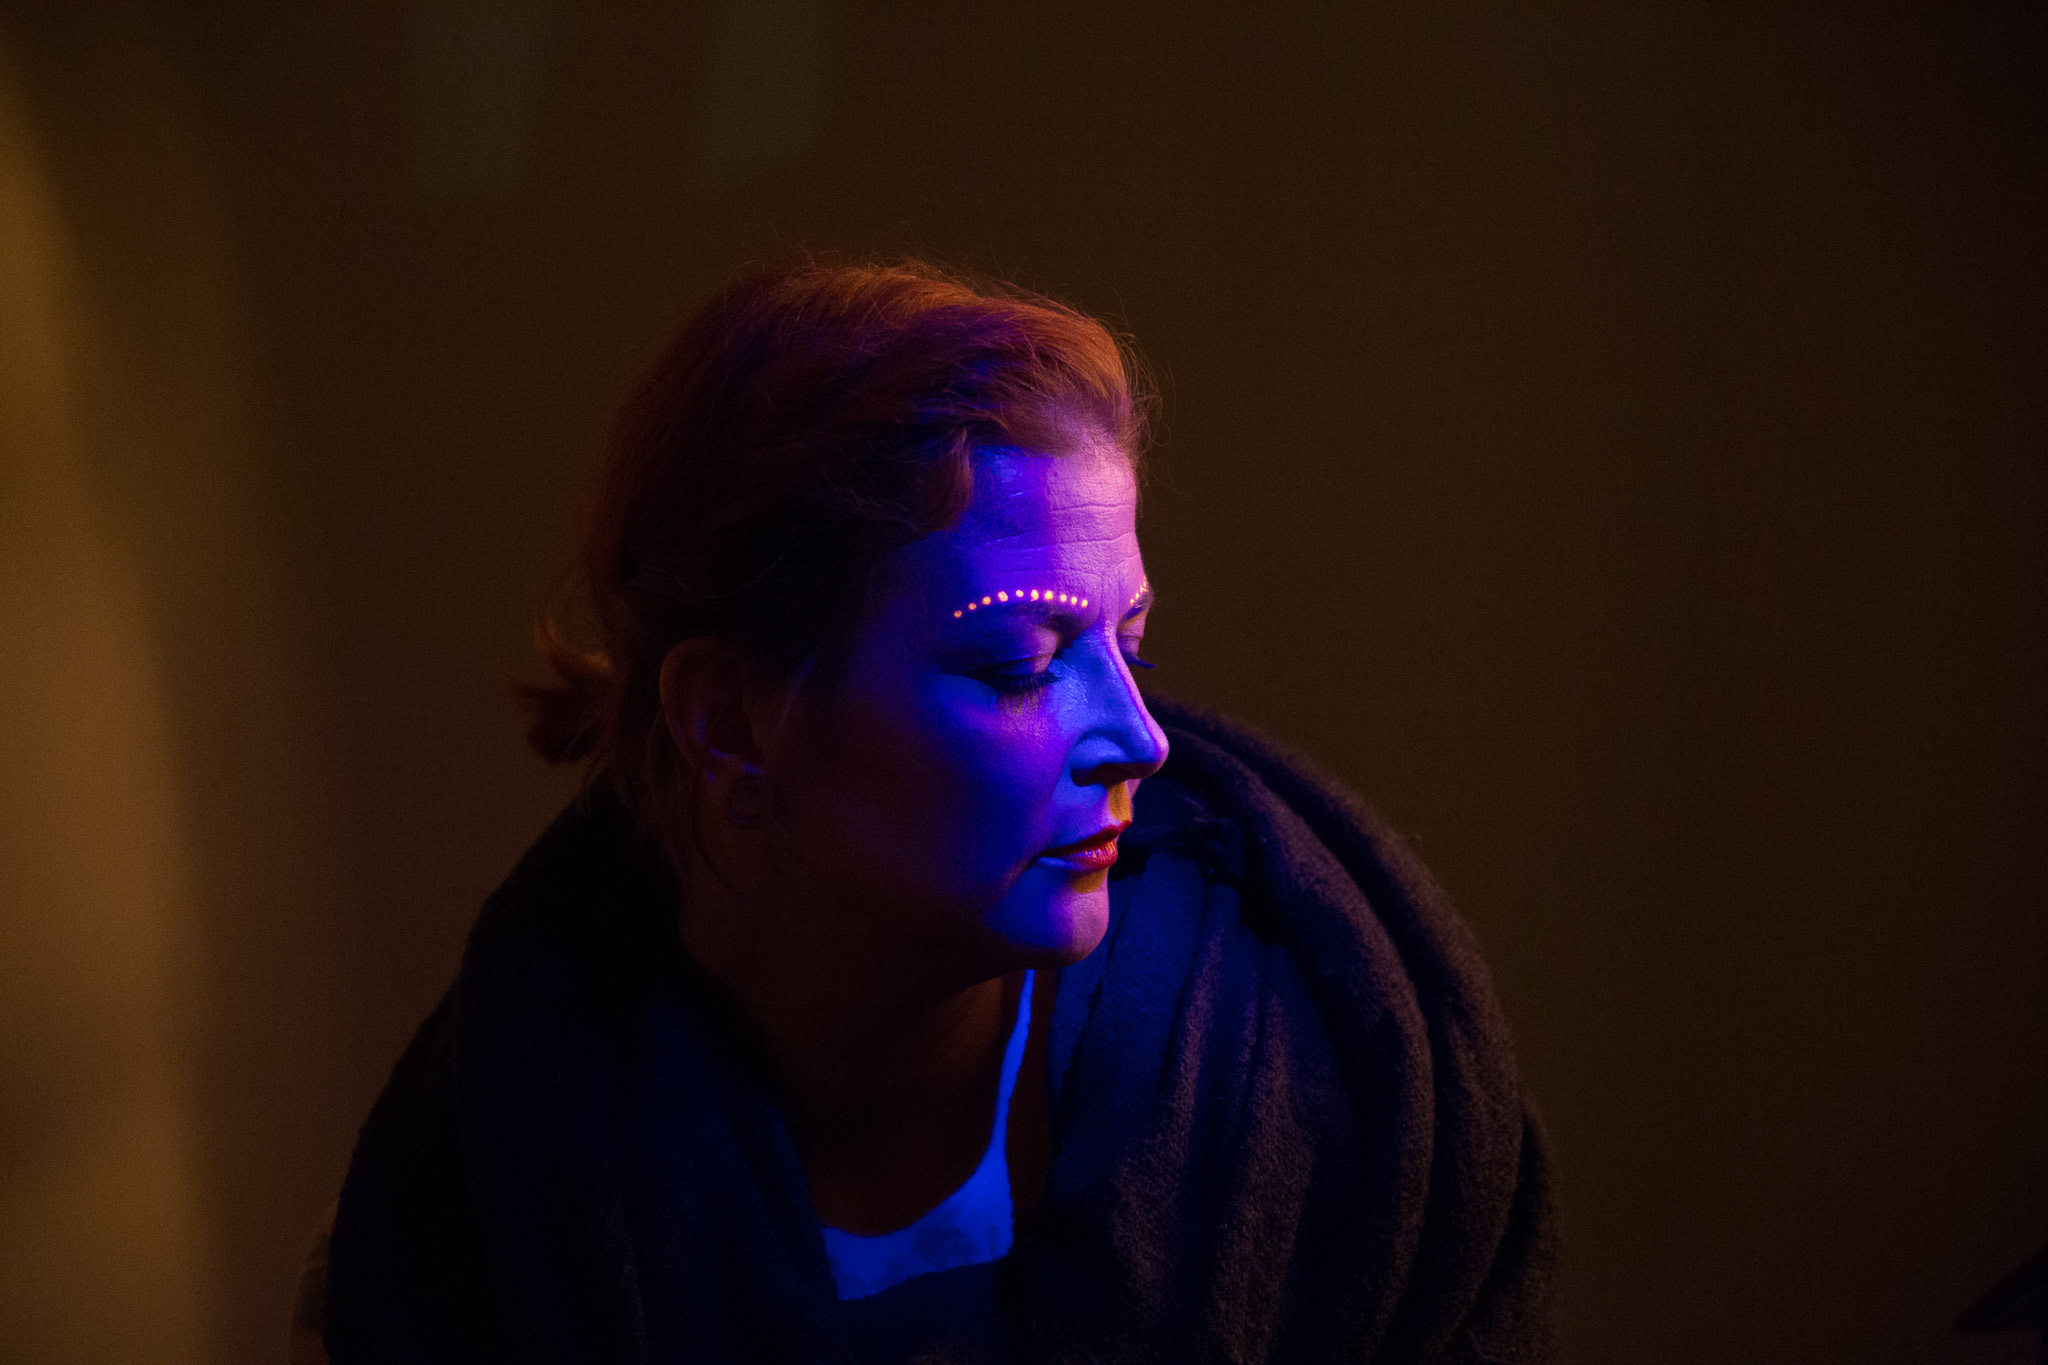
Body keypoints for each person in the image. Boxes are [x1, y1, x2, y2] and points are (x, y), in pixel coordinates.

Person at [313, 257, 1558, 1363]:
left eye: (1128, 644)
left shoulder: (1309, 1078)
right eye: (1018, 664)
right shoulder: (476, 1204)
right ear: (731, 721)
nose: (1138, 740)